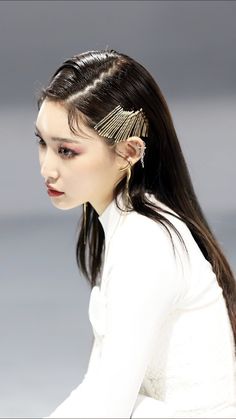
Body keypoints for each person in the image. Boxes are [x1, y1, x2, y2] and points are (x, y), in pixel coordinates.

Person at [34, 49, 236, 418]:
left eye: (66, 150)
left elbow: (109, 402)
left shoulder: (148, 243)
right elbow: (99, 386)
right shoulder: (129, 225)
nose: (48, 168)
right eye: (42, 143)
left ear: (128, 151)